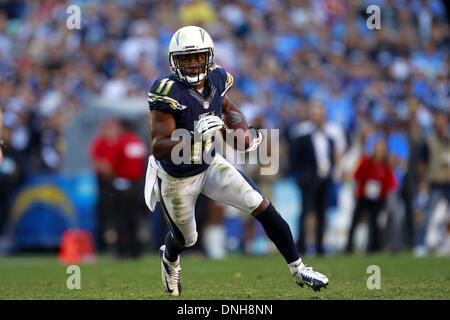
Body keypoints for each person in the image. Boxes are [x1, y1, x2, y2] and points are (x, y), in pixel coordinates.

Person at [144, 26, 328, 296]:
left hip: (208, 165)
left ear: (209, 57)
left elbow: (228, 107)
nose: (194, 63)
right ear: (174, 61)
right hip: (176, 177)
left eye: (198, 57)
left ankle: (299, 268)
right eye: (187, 58)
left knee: (262, 206)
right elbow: (159, 147)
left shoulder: (217, 79)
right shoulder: (167, 91)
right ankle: (170, 257)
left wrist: (245, 128)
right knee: (187, 239)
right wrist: (193, 137)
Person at [291, 102, 336, 255]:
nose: (318, 118)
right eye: (315, 115)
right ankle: (302, 245)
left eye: (320, 115)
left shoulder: (330, 138)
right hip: (309, 181)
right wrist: (303, 176)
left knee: (323, 212)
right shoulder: (302, 138)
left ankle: (320, 246)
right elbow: (295, 160)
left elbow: (331, 158)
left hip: (325, 179)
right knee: (306, 212)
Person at [345, 139, 397, 253]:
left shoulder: (386, 166)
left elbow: (391, 183)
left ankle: (373, 247)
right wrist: (356, 190)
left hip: (378, 199)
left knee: (374, 223)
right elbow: (356, 175)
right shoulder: (366, 161)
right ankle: (349, 246)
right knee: (355, 220)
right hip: (364, 196)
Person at [112, 120, 147, 259]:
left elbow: (115, 162)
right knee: (134, 217)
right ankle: (135, 249)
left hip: (123, 182)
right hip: (137, 183)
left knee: (121, 218)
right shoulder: (138, 142)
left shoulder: (121, 142)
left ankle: (122, 249)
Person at [89, 118, 121, 253]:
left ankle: (118, 243)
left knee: (118, 214)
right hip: (104, 182)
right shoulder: (99, 143)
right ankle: (102, 245)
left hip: (116, 181)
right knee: (104, 214)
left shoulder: (119, 142)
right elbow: (101, 165)